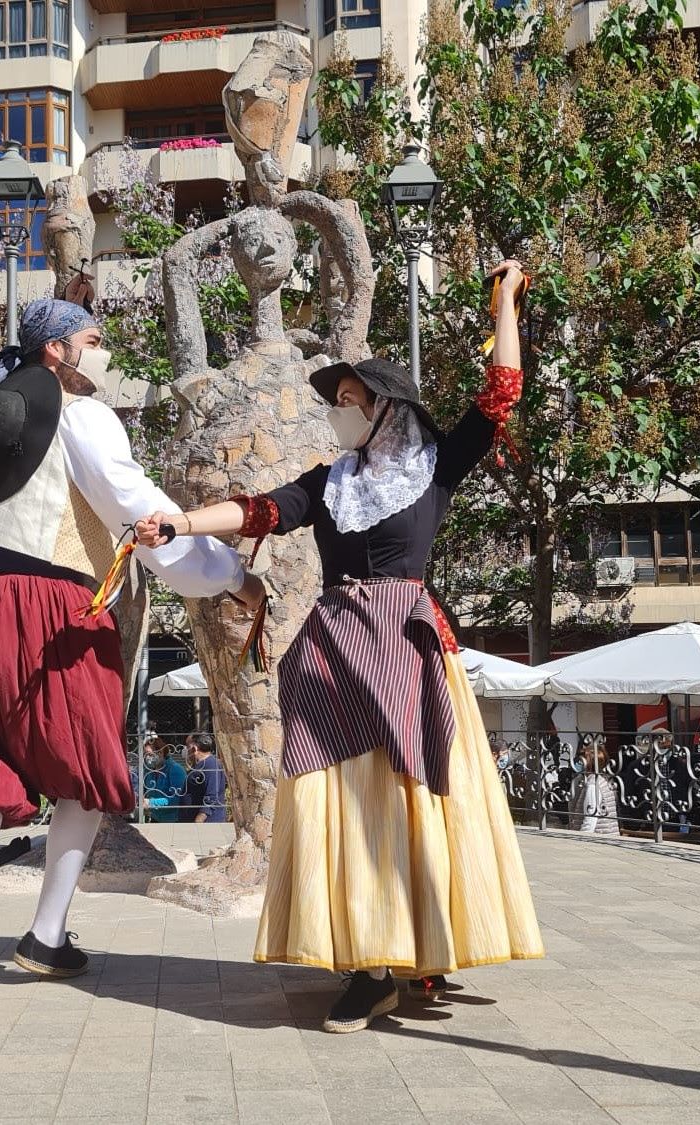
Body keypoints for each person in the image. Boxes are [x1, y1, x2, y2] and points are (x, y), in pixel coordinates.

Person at [134, 259, 543, 1034]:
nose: (340, 412)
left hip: (409, 648)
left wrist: (505, 310)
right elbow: (258, 511)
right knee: (344, 804)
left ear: (386, 407)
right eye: (338, 402)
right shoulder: (329, 483)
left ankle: (410, 948)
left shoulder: (433, 467)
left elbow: (500, 396)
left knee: (416, 801)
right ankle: (367, 962)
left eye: (351, 400)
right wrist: (179, 522)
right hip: (332, 653)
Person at [0, 297, 263, 1014]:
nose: (103, 355)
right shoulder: (82, 416)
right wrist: (229, 573)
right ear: (57, 352)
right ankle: (43, 933)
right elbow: (138, 511)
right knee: (85, 769)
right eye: (94, 341)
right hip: (45, 605)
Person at [568, 742, 620, 836]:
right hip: (607, 835)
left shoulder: (593, 784)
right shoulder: (604, 779)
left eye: (583, 759)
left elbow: (590, 819)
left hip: (598, 840)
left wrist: (580, 841)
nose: (579, 762)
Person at [139, 737, 189, 825]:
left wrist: (151, 803)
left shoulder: (175, 770)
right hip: (155, 818)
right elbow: (145, 791)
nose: (147, 758)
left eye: (150, 754)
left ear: (161, 753)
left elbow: (177, 799)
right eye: (145, 755)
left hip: (173, 820)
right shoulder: (149, 770)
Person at [186, 733, 226, 823]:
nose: (186, 750)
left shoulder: (211, 764)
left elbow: (212, 796)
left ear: (194, 748)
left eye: (187, 746)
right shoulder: (200, 765)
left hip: (207, 822)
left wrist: (200, 819)